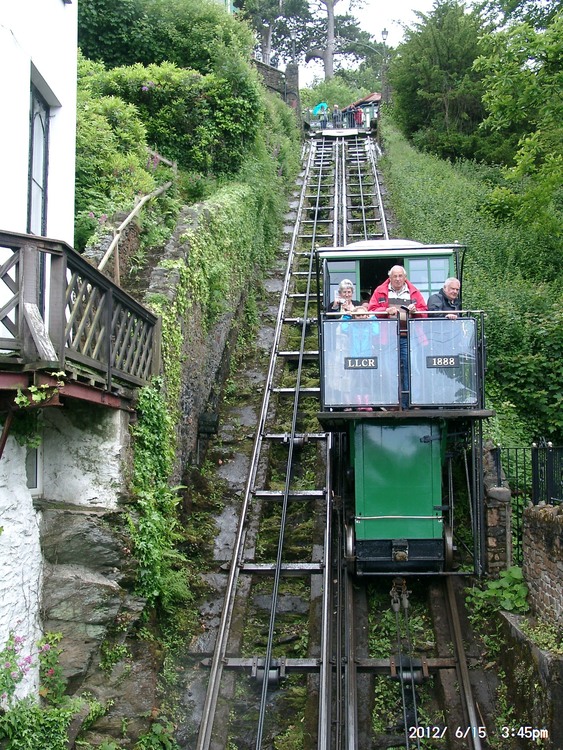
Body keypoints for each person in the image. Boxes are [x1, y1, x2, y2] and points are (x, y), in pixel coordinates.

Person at [367, 266, 427, 408]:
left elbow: (425, 313)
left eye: (400, 276)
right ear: (390, 277)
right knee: (389, 370)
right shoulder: (380, 291)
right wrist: (385, 310)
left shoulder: (414, 291)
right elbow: (371, 311)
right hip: (388, 337)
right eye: (395, 276)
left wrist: (415, 311)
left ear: (405, 277)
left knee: (412, 369)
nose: (398, 279)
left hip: (409, 336)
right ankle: (394, 402)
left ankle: (412, 402)